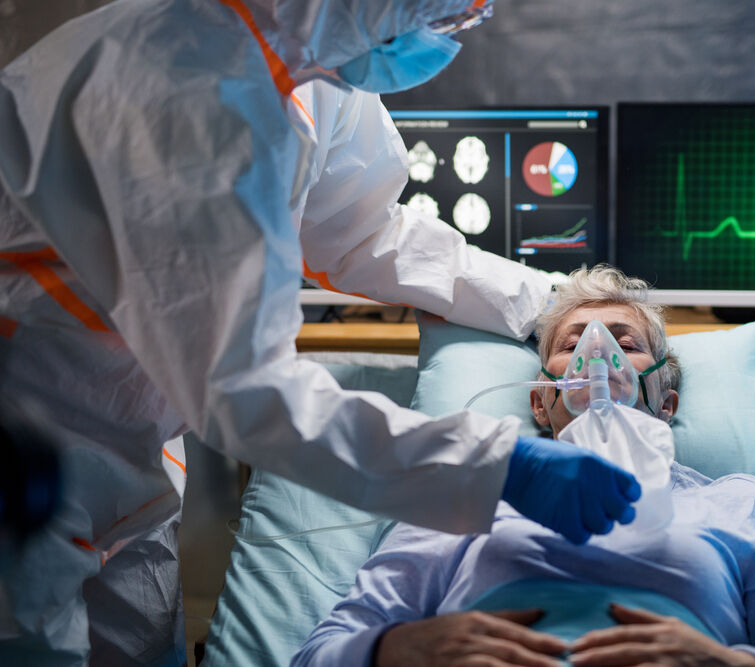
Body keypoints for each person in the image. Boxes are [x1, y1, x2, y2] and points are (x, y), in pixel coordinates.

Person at [0, 1, 639, 663]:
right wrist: (499, 469)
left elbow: (360, 230)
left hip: (127, 441)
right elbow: (250, 395)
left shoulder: (313, 61)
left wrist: (551, 301)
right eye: (450, 17)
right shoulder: (192, 87)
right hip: (32, 433)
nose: (448, 36)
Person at [291, 266, 755, 667]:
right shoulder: (467, 487)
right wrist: (397, 650)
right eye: (570, 346)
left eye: (627, 343)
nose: (597, 355)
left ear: (666, 402)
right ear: (541, 402)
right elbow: (320, 653)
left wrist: (724, 662)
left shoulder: (740, 502)